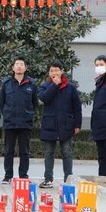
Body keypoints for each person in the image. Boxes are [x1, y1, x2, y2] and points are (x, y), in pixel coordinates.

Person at [38, 60, 82, 188]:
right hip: (49, 124)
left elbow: (77, 107)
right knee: (48, 153)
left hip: (66, 125)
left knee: (67, 152)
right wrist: (54, 85)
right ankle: (48, 179)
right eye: (51, 71)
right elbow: (44, 98)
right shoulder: (45, 86)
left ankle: (68, 180)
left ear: (62, 71)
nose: (54, 73)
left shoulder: (70, 87)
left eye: (57, 70)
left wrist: (77, 124)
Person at [0, 57, 37, 185]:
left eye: (21, 64)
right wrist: (7, 114)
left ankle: (23, 176)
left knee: (24, 151)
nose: (19, 66)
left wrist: (28, 114)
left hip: (25, 123)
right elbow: (2, 102)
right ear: (13, 68)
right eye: (17, 64)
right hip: (10, 123)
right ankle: (8, 176)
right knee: (8, 151)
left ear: (25, 68)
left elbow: (34, 103)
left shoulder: (31, 84)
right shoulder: (6, 83)